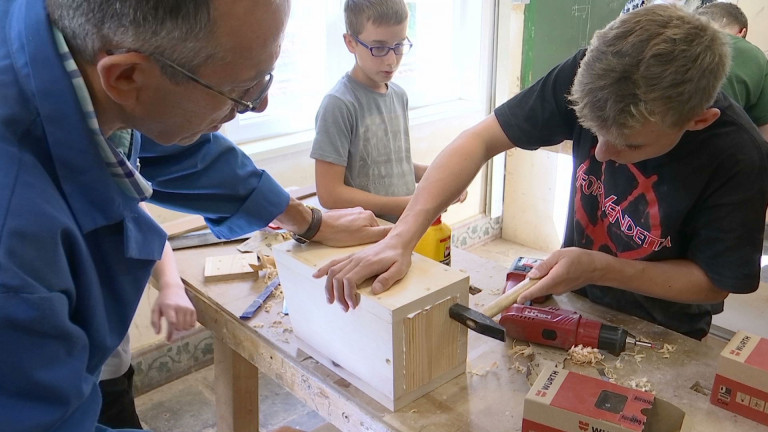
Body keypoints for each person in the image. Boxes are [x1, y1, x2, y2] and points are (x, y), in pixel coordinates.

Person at [0, 0, 390, 431]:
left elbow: (170, 141)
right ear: (127, 76)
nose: (259, 106)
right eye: (241, 91)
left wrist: (308, 220)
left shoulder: (76, 53)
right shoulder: (14, 245)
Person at [314, 5, 768, 341]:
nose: (602, 154)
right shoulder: (590, 69)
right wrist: (400, 238)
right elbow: (479, 140)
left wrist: (603, 268)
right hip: (573, 294)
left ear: (698, 120)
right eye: (591, 131)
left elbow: (715, 280)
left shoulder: (740, 159)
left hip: (665, 327)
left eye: (631, 143)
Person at [311, 0, 465, 223]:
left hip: (405, 226)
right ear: (351, 42)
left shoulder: (399, 95)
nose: (392, 60)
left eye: (399, 46)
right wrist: (409, 204)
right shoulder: (339, 104)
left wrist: (440, 179)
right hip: (367, 234)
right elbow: (329, 193)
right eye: (379, 48)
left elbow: (387, 165)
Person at [98, 205, 196, 430]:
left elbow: (145, 226)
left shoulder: (103, 176)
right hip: (77, 379)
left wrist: (171, 285)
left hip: (110, 361)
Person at [695, 2, 768, 140]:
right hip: (711, 146)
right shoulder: (755, 55)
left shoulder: (670, 40)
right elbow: (765, 131)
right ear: (742, 32)